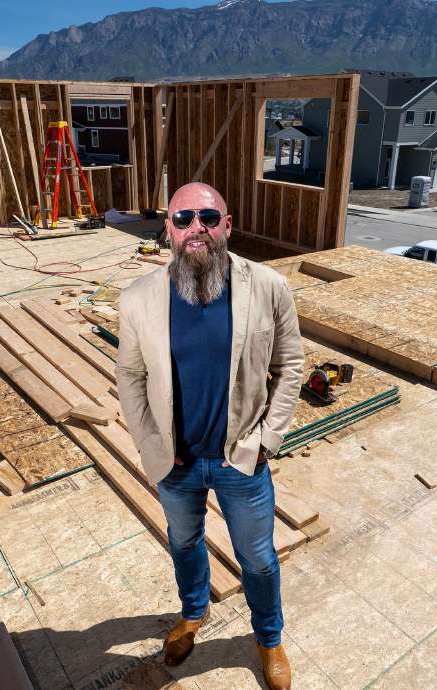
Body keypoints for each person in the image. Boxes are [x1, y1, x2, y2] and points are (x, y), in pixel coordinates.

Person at [116, 182, 305, 690]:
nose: (194, 227)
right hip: (175, 464)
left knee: (259, 559)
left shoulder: (267, 286)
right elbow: (130, 377)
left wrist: (267, 439)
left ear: (226, 224)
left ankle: (269, 639)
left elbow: (291, 366)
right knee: (184, 543)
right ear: (169, 232)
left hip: (241, 457)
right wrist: (149, 442)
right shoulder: (137, 299)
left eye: (206, 216)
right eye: (182, 219)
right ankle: (193, 614)